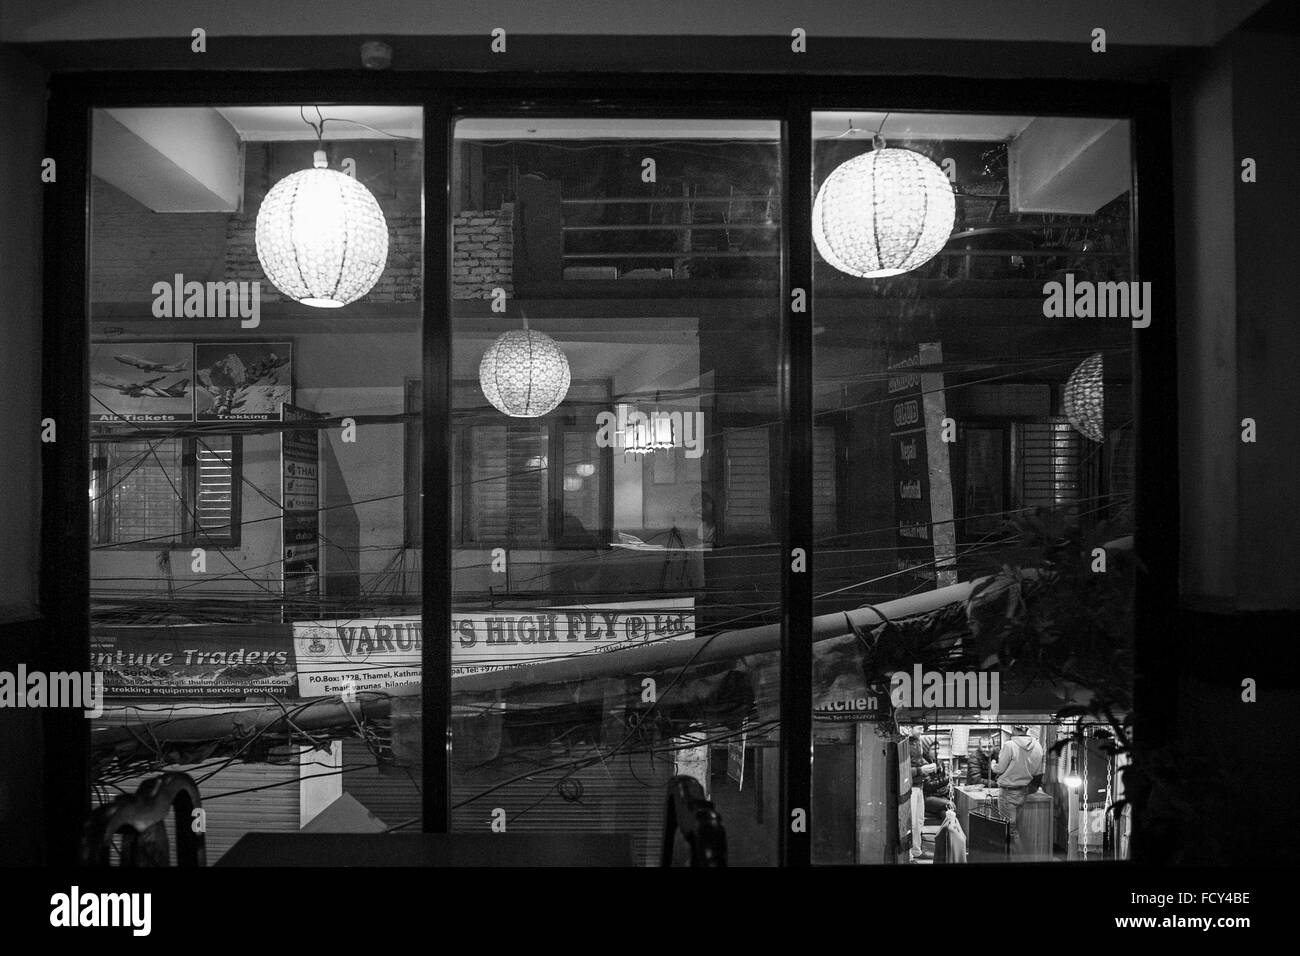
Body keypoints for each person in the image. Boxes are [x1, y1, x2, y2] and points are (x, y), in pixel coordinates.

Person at [993, 724, 1045, 853]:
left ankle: (1016, 858)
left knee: (1009, 831)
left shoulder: (1010, 745)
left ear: (1013, 728)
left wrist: (993, 764)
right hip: (1023, 791)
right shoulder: (1038, 746)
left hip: (1008, 792)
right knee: (1016, 829)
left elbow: (999, 769)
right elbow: (1038, 771)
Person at [908, 725, 955, 821]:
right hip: (927, 796)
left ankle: (945, 834)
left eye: (938, 748)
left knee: (947, 813)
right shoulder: (924, 763)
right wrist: (948, 779)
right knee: (949, 805)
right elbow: (929, 785)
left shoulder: (940, 762)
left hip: (938, 796)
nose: (937, 751)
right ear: (926, 749)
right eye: (933, 749)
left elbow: (940, 782)